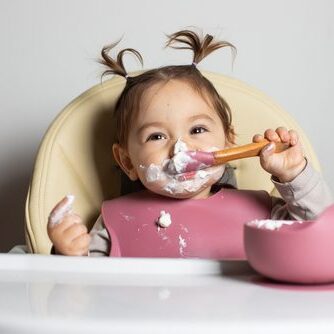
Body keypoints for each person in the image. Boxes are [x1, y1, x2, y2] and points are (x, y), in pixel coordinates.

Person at [47, 29, 333, 257]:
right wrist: (69, 253)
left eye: (197, 129)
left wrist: (294, 174)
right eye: (157, 136)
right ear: (127, 162)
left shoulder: (263, 212)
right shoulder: (113, 223)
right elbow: (84, 292)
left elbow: (323, 232)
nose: (180, 147)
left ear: (229, 142)